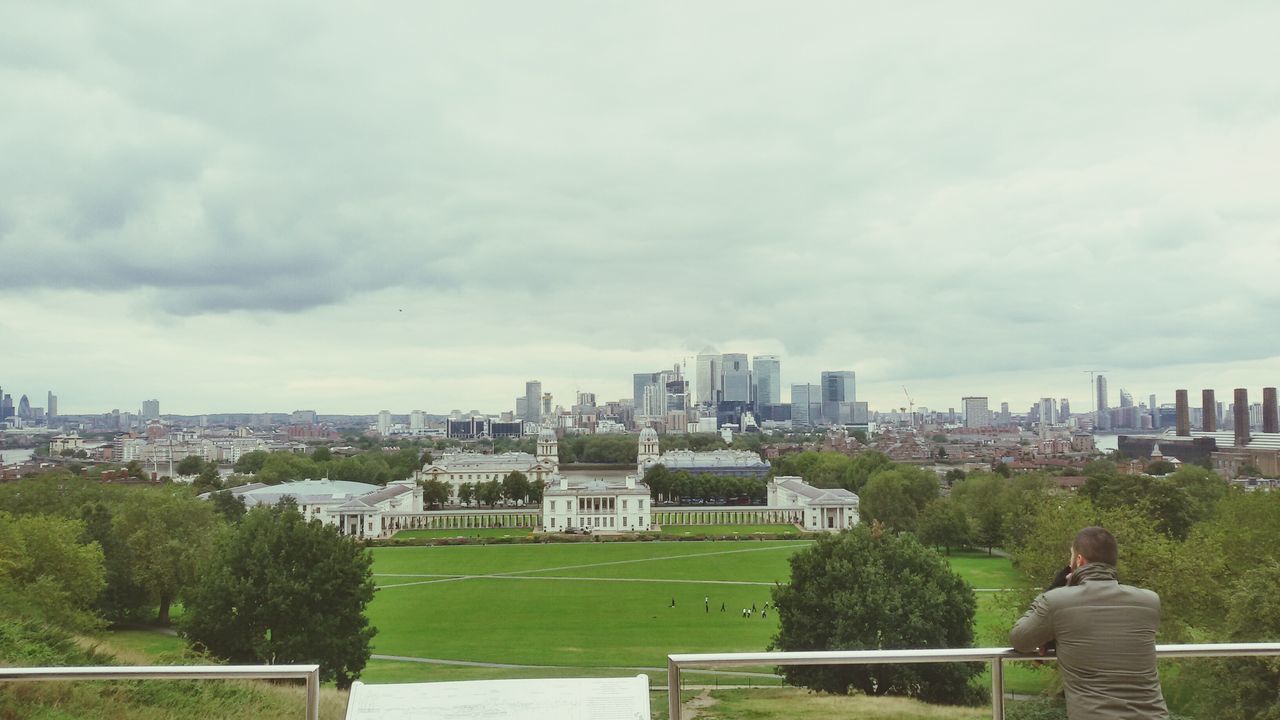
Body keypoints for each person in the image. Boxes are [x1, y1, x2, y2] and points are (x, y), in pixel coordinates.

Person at [1010, 527, 1169, 719]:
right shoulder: (1149, 601)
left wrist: (1057, 588)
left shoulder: (1056, 602)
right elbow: (1107, 631)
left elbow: (1020, 639)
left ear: (1078, 560)